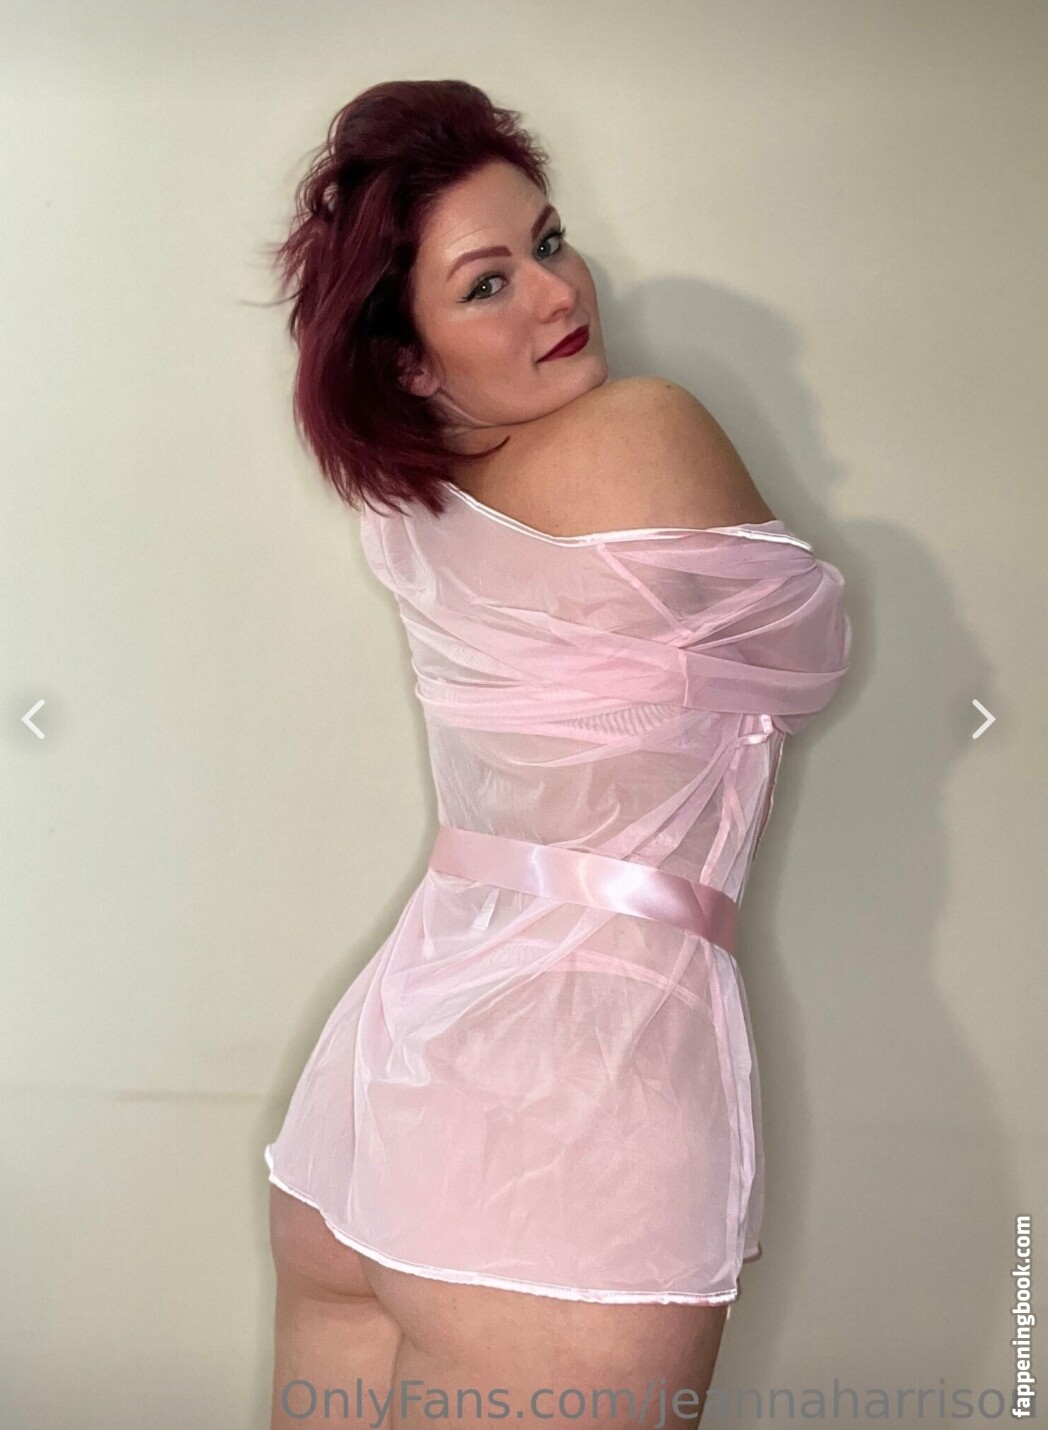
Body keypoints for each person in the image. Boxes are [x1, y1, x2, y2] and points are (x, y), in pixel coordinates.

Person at [262, 80, 851, 1429]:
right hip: (573, 1137)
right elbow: (804, 654)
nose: (554, 290)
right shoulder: (646, 433)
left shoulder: (408, 517)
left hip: (372, 1108)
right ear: (408, 360)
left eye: (547, 240)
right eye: (486, 284)